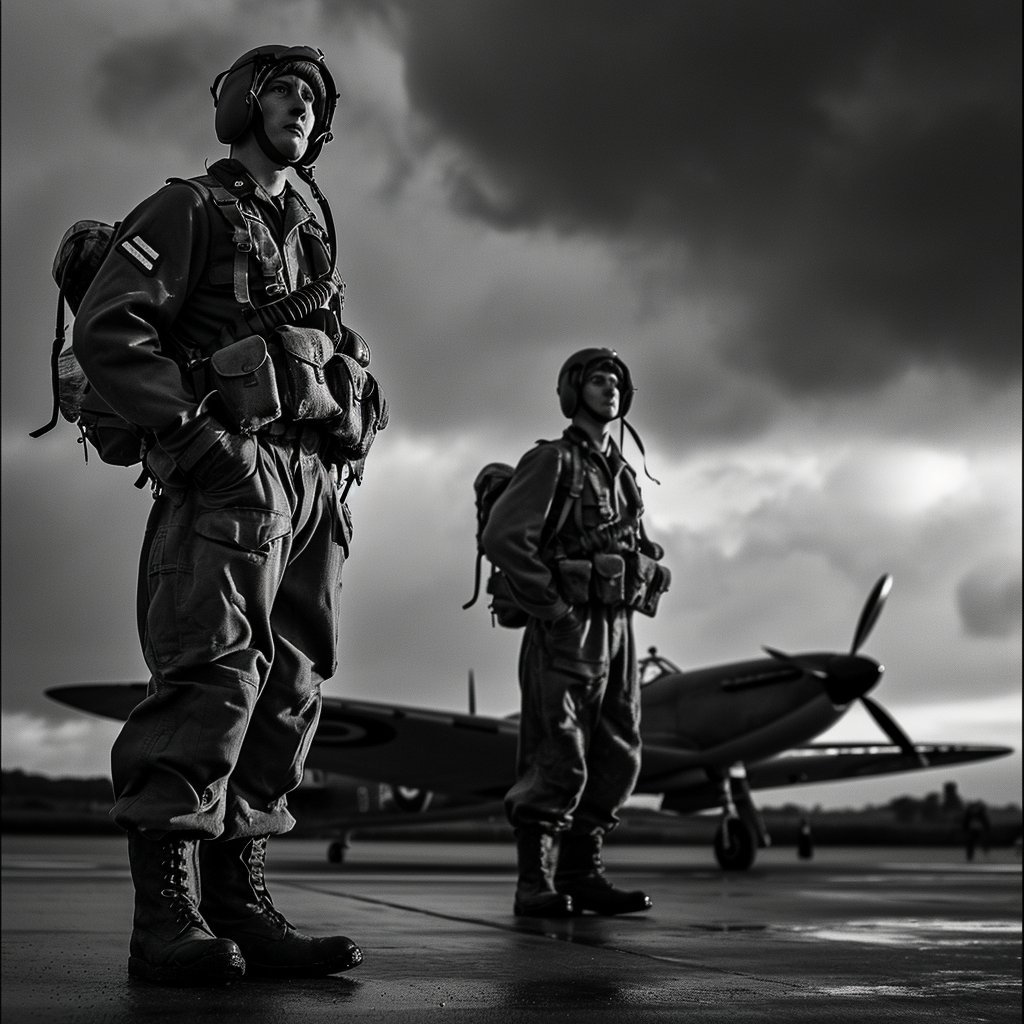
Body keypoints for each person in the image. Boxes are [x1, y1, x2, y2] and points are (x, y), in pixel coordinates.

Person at [72, 45, 381, 985]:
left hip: (309, 482)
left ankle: (241, 902)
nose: (300, 106)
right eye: (285, 89)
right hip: (230, 481)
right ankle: (167, 919)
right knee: (211, 678)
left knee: (290, 687)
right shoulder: (189, 209)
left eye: (314, 99)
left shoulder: (311, 230)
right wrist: (201, 440)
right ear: (246, 102)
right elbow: (110, 327)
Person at [482, 348, 670, 917]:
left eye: (616, 380)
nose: (609, 388)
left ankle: (581, 872)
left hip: (617, 629)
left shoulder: (622, 475)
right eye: (596, 380)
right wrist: (554, 609)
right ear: (572, 391)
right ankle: (533, 882)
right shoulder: (552, 461)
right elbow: (504, 537)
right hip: (567, 628)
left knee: (619, 749)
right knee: (556, 749)